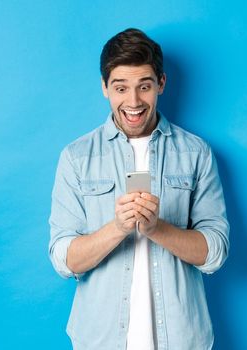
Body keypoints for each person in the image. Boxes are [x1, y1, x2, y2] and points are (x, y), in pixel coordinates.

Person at [48, 28, 229, 349]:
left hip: (182, 339)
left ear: (161, 83)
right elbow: (64, 260)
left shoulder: (196, 153)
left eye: (144, 86)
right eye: (121, 88)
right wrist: (118, 228)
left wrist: (156, 228)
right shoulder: (76, 157)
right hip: (100, 340)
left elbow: (214, 253)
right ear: (105, 87)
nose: (133, 102)